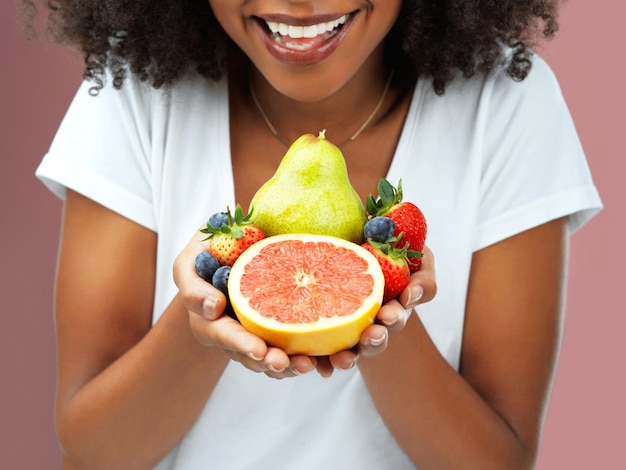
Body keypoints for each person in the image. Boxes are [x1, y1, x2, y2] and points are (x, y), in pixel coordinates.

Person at [30, 0, 602, 468]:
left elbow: (499, 462)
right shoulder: (133, 93)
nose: (299, 2)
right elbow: (91, 451)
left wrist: (379, 314)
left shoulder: (506, 102)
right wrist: (203, 320)